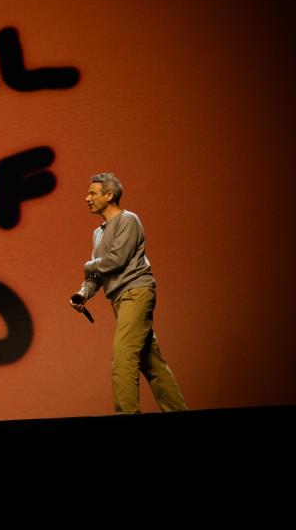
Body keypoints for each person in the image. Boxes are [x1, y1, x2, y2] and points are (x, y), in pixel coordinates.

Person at [70, 173, 188, 414]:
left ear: (109, 195)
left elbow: (116, 260)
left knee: (123, 357)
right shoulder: (98, 233)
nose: (87, 198)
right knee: (151, 363)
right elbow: (97, 274)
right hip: (120, 299)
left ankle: (126, 415)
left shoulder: (128, 220)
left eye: (93, 193)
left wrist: (88, 264)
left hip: (137, 292)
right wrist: (83, 293)